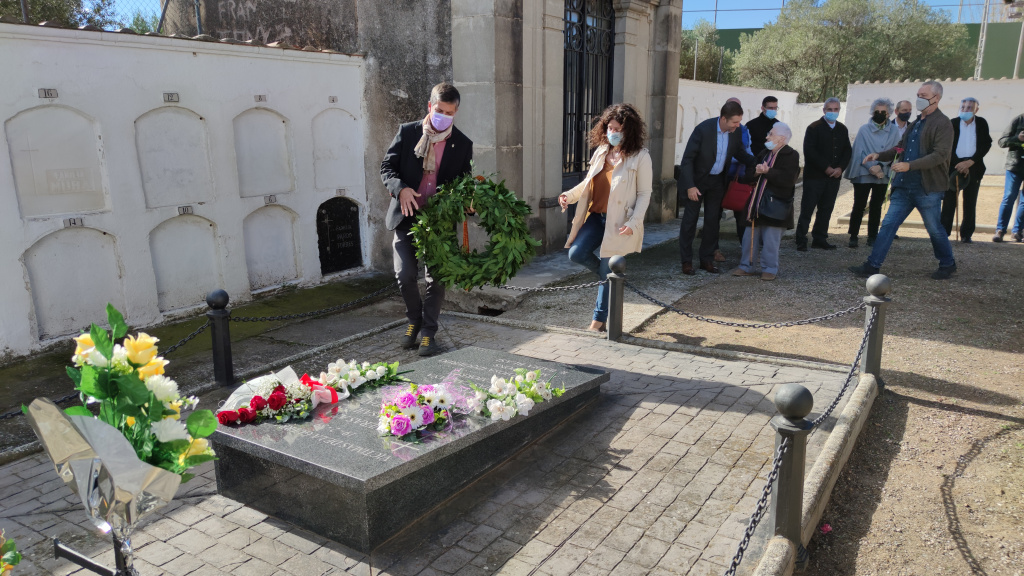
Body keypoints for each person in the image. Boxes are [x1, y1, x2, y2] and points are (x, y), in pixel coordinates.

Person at [381, 82, 473, 356]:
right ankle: (414, 320)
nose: (443, 115)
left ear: (456, 112)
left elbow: (464, 183)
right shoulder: (408, 132)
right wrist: (401, 189)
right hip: (407, 215)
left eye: (450, 112)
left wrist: (468, 202)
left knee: (437, 279)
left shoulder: (463, 144)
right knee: (405, 275)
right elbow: (387, 167)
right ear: (429, 106)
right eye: (439, 109)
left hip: (439, 220)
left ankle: (429, 333)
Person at [559, 103, 652, 332]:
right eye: (609, 127)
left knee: (606, 268)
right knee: (576, 253)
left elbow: (644, 194)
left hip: (620, 222)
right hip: (596, 217)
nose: (612, 132)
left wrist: (634, 222)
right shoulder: (601, 151)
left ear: (629, 130)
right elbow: (587, 183)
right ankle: (612, 278)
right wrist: (567, 196)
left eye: (617, 128)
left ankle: (597, 323)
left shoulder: (640, 157)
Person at [850, 81, 956, 280]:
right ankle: (872, 265)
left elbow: (940, 155)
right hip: (903, 186)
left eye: (923, 95)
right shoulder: (916, 124)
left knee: (934, 229)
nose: (919, 98)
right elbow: (900, 148)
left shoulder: (943, 123)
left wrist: (910, 165)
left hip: (927, 187)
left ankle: (947, 263)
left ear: (936, 98)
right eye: (918, 94)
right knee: (888, 225)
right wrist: (879, 155)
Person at [678, 100, 755, 275]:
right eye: (735, 122)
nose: (738, 125)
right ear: (723, 119)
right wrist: (690, 186)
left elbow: (740, 153)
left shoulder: (736, 132)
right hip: (696, 182)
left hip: (717, 182)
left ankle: (706, 260)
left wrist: (758, 163)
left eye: (739, 122)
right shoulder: (703, 130)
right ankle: (686, 261)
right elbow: (687, 160)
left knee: (712, 222)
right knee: (690, 222)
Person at [731, 123, 800, 281]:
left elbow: (789, 179)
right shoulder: (764, 153)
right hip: (756, 202)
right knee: (749, 236)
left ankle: (770, 268)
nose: (767, 136)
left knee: (771, 239)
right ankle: (746, 266)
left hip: (776, 204)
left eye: (771, 134)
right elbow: (748, 175)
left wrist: (768, 171)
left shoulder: (791, 155)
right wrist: (755, 172)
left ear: (782, 138)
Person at [844, 98, 901, 247]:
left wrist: (880, 166)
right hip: (864, 172)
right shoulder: (864, 129)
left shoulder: (894, 131)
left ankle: (872, 236)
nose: (880, 114)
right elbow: (858, 151)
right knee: (859, 205)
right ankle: (853, 236)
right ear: (872, 112)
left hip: (883, 173)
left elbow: (895, 150)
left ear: (888, 113)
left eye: (883, 112)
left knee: (876, 206)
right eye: (877, 112)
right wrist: (871, 167)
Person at [797, 97, 852, 251]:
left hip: (834, 177)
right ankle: (801, 239)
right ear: (824, 110)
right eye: (830, 109)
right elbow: (810, 151)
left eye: (836, 109)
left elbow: (847, 150)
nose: (833, 112)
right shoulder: (814, 128)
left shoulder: (842, 129)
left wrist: (840, 168)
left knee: (826, 209)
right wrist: (826, 167)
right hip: (815, 176)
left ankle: (820, 238)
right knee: (808, 208)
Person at [941, 97, 991, 243]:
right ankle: (944, 233)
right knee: (949, 202)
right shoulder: (953, 123)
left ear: (976, 109)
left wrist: (970, 162)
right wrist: (960, 165)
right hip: (954, 167)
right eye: (963, 107)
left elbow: (985, 144)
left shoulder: (981, 123)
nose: (965, 110)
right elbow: (947, 146)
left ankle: (966, 233)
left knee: (970, 202)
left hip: (974, 167)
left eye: (969, 107)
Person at [720, 97, 756, 262]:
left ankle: (745, 248)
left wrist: (754, 166)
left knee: (741, 213)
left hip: (738, 176)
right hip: (721, 176)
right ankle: (713, 249)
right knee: (714, 215)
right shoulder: (717, 128)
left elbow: (745, 151)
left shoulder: (742, 129)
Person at [993, 112, 1024, 243]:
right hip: (1015, 166)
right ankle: (1000, 230)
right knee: (1009, 196)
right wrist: (1018, 138)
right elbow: (1002, 141)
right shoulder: (1019, 119)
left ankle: (1017, 232)